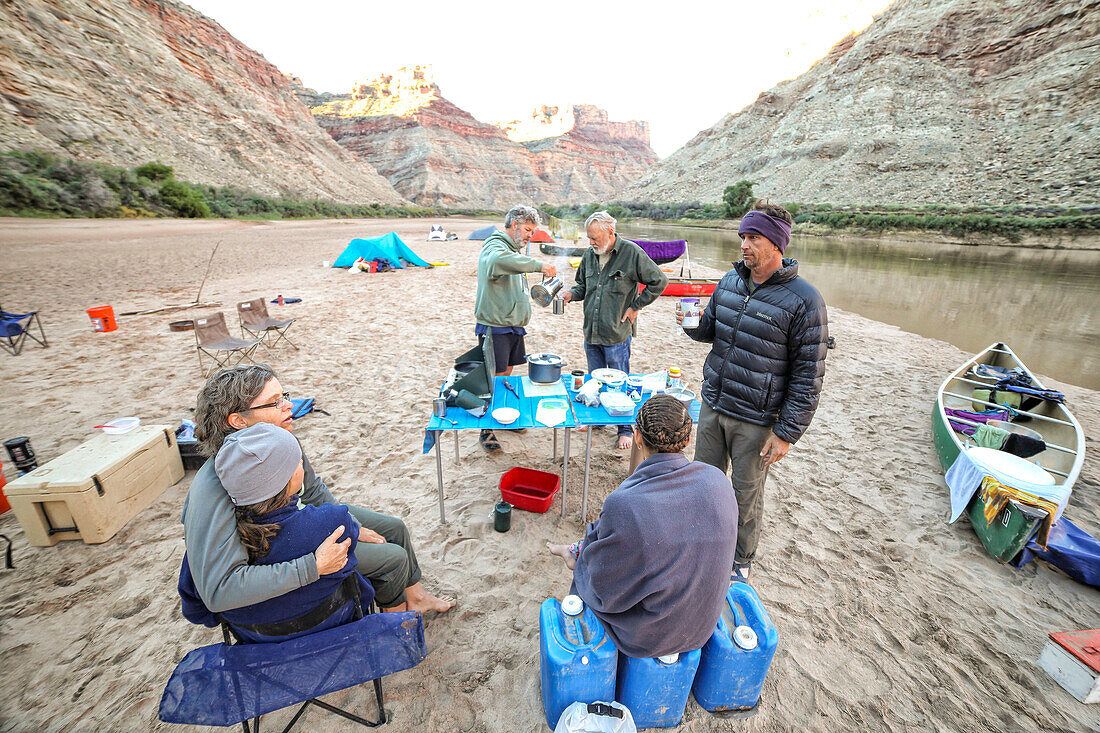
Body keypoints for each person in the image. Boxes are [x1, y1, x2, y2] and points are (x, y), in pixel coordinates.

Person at [182, 364, 455, 616]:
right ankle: (393, 620)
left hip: (302, 520)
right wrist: (311, 566)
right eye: (275, 402)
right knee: (390, 558)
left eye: (284, 395)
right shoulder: (212, 486)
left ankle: (416, 597)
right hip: (282, 551)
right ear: (238, 421)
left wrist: (355, 525)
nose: (289, 405)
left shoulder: (281, 439)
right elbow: (218, 591)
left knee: (394, 528)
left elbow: (313, 490)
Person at [679, 201, 828, 582]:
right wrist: (690, 325)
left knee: (745, 493)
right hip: (714, 403)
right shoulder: (730, 281)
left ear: (777, 244)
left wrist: (786, 434)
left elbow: (808, 376)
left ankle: (740, 559)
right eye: (743, 236)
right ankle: (703, 543)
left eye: (754, 238)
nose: (744, 245)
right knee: (704, 482)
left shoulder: (804, 301)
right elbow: (710, 329)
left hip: (757, 418)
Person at [546, 395, 738, 658]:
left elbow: (606, 588)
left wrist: (587, 559)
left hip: (653, 638)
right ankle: (579, 549)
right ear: (688, 439)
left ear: (637, 437)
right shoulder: (718, 480)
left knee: (588, 571)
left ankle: (577, 552)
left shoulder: (624, 503)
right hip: (702, 627)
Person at [179, 423, 373, 642]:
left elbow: (196, 611)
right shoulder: (333, 522)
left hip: (258, 647)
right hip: (336, 630)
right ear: (284, 480)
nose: (302, 463)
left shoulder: (211, 554)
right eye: (296, 462)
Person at [561, 211, 667, 450]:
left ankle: (623, 428)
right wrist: (570, 294)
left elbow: (659, 281)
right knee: (594, 379)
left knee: (620, 381)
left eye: (594, 238)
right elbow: (582, 286)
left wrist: (636, 306)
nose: (591, 243)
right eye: (588, 238)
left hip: (617, 332)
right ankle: (597, 420)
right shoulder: (589, 255)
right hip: (592, 330)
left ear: (610, 232)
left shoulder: (631, 253)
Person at [474, 204, 556, 452]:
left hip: (512, 326)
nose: (531, 235)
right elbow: (497, 260)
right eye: (528, 229)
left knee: (505, 374)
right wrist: (538, 265)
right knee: (492, 377)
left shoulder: (513, 250)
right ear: (514, 225)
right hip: (495, 325)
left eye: (533, 230)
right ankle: (485, 430)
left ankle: (502, 417)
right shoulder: (495, 245)